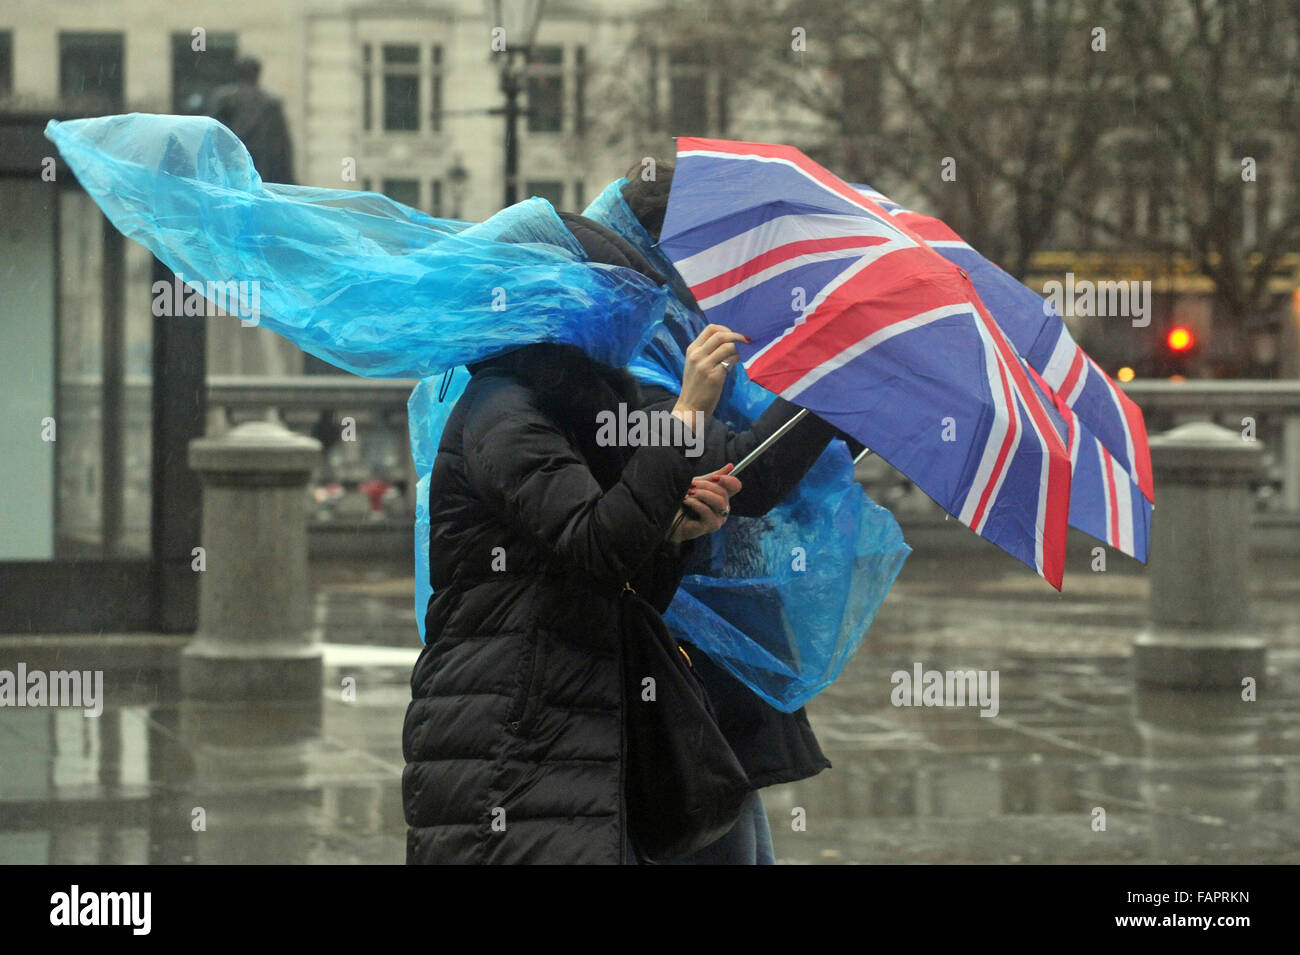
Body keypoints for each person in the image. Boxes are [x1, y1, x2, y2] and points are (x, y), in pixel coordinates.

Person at [402, 210, 838, 864]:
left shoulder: (562, 408)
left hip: (562, 720)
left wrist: (671, 530)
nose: (628, 327)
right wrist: (688, 413)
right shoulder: (505, 413)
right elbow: (595, 544)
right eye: (616, 306)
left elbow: (619, 584)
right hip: (511, 730)